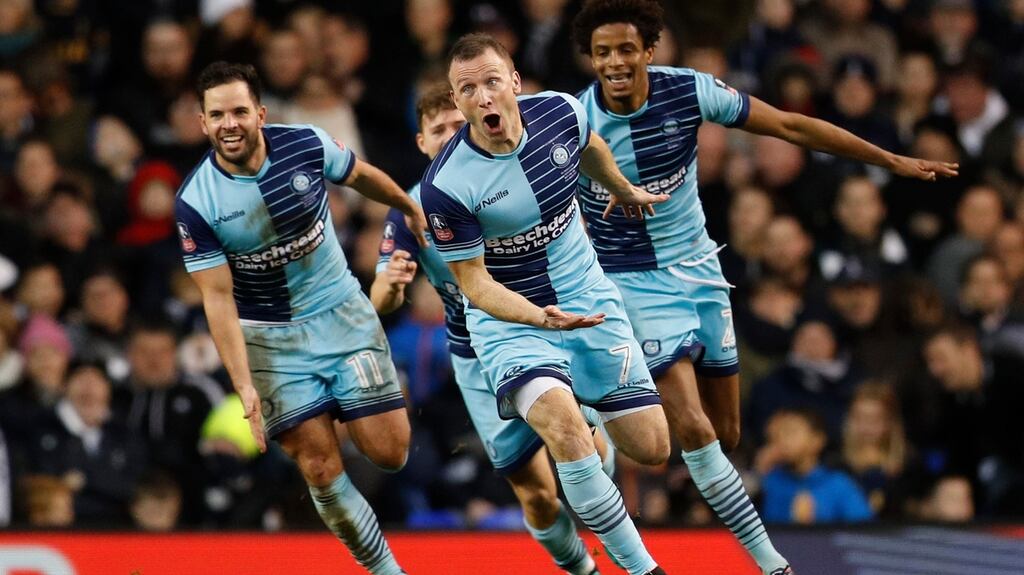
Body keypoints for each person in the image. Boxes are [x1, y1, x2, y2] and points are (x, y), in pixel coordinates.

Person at [571, 2, 957, 573]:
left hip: (701, 271)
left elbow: (790, 125)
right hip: (631, 283)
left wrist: (888, 159)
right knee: (694, 427)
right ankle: (772, 562)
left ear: (650, 50)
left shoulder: (691, 91)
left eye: (626, 49)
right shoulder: (576, 121)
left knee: (725, 434)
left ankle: (607, 411)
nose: (614, 62)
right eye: (602, 53)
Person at [420, 34, 670, 575]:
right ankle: (642, 569)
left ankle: (586, 398)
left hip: (588, 297)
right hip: (511, 324)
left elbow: (590, 148)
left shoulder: (560, 111)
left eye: (491, 81)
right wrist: (538, 318)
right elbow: (474, 285)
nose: (483, 96)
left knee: (652, 448)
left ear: (514, 81)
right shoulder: (445, 185)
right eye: (468, 89)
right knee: (563, 429)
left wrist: (622, 189)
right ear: (457, 100)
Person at [175, 62, 426, 575]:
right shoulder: (196, 203)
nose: (230, 123)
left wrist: (409, 207)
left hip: (342, 313)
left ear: (260, 114)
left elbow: (359, 175)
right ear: (203, 123)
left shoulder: (305, 144)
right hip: (271, 341)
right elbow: (218, 299)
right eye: (217, 114)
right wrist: (243, 385)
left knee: (391, 452)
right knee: (318, 464)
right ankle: (386, 571)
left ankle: (340, 401)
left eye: (240, 111)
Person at [372, 83, 614, 575]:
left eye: (455, 126)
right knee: (537, 496)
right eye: (436, 130)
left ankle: (617, 536)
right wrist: (393, 287)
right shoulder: (411, 211)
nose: (448, 137)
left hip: (549, 332)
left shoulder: (518, 173)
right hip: (477, 358)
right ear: (421, 143)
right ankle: (581, 569)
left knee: (590, 447)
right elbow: (378, 298)